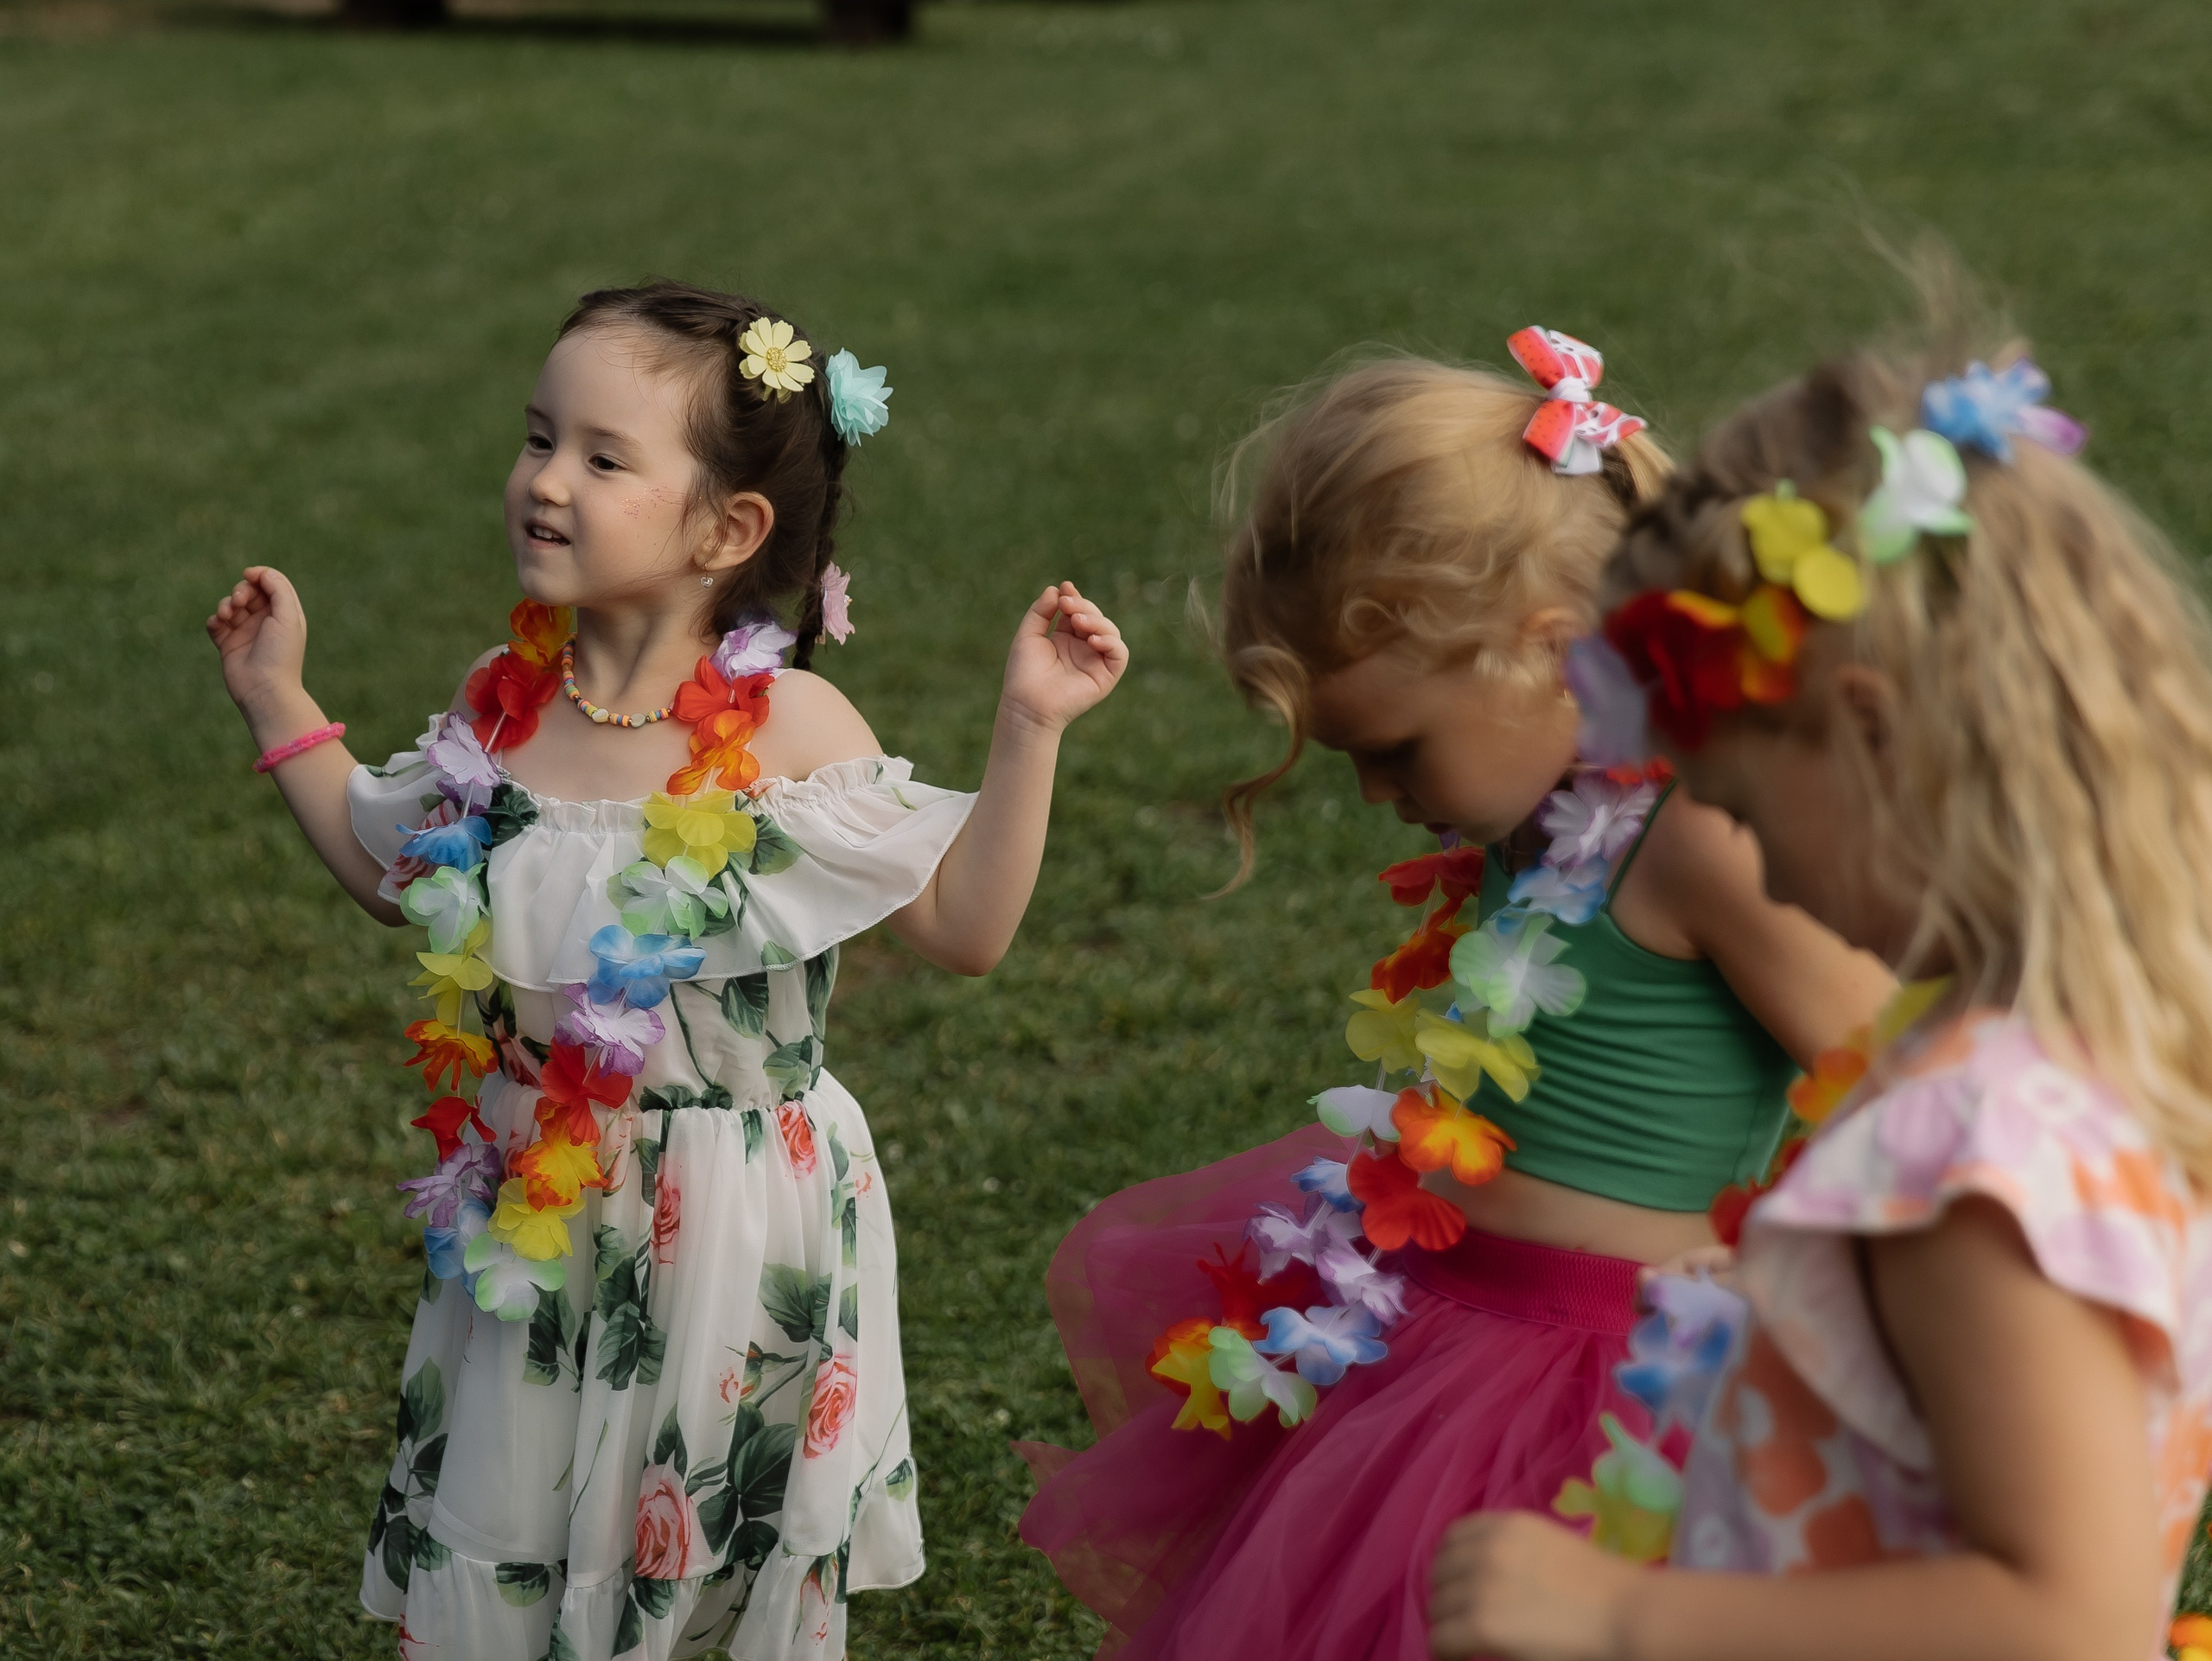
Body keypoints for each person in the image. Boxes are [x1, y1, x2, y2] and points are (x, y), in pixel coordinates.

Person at [205, 279, 1128, 1661]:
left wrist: (1028, 725)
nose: (545, 482)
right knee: (513, 1540)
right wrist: (280, 700)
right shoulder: (498, 705)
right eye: (536, 439)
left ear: (729, 528)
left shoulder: (791, 727)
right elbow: (395, 869)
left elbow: (963, 930)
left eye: (601, 457)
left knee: (692, 1565)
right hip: (533, 1212)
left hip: (735, 1222)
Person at [1016, 333, 1891, 1660]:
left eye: (1394, 747)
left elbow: (1916, 1082)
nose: (1376, 793)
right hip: (1425, 1329)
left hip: (1614, 1386)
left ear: (1555, 650)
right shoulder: (1540, 802)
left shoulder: (1706, 834)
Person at [1426, 335, 2212, 1661]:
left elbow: (2065, 1621)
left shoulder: (1966, 1159)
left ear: (1872, 736)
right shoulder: (2081, 1061)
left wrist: (1622, 1612)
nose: (1754, 856)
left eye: (1733, 797)